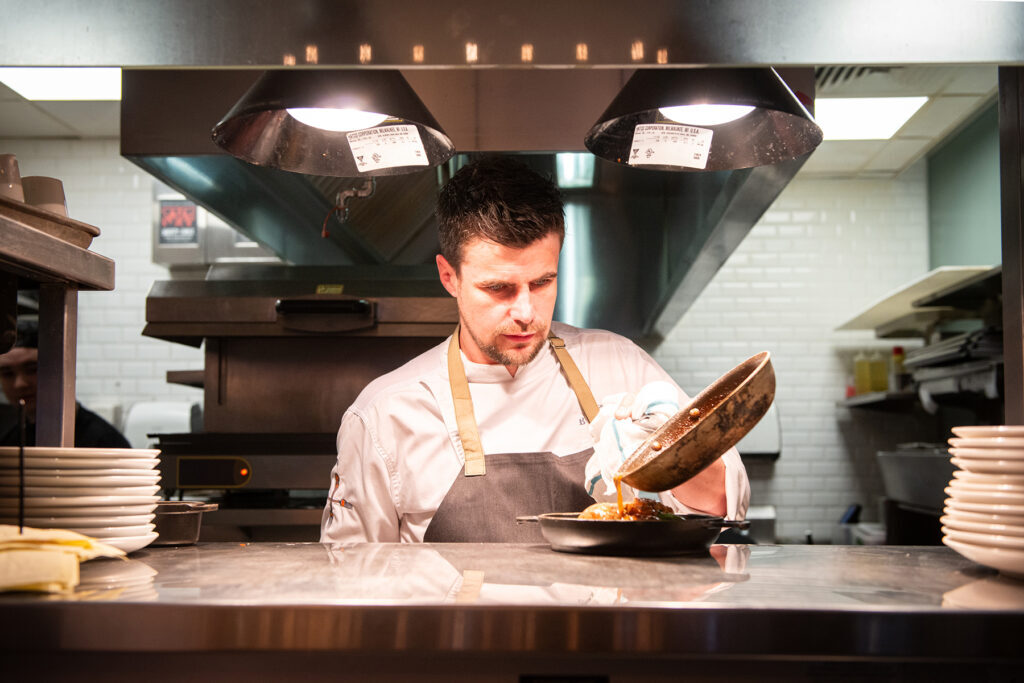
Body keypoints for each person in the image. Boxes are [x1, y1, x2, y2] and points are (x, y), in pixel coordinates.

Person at [320, 156, 749, 543]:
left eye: (542, 282)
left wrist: (671, 457)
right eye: (498, 288)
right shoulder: (385, 415)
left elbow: (725, 506)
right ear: (449, 277)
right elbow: (353, 576)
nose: (526, 313)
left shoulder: (620, 366)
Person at [0, 318, 131, 448]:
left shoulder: (104, 442)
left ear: (62, 371)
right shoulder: (11, 441)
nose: (20, 384)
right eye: (7, 373)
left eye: (33, 369)